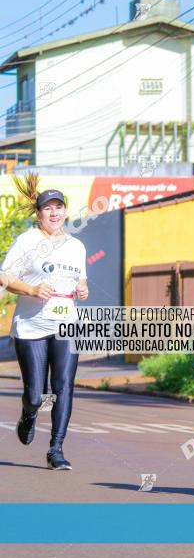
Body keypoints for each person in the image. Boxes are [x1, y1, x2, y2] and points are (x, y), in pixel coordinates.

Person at [0, 178, 88, 470]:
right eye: (47, 208)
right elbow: (5, 277)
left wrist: (83, 289)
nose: (54, 213)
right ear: (38, 214)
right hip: (31, 326)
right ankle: (29, 414)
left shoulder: (76, 246)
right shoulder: (27, 241)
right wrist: (31, 290)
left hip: (66, 324)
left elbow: (80, 279)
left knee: (63, 386)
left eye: (59, 207)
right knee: (36, 394)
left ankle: (56, 450)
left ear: (65, 212)